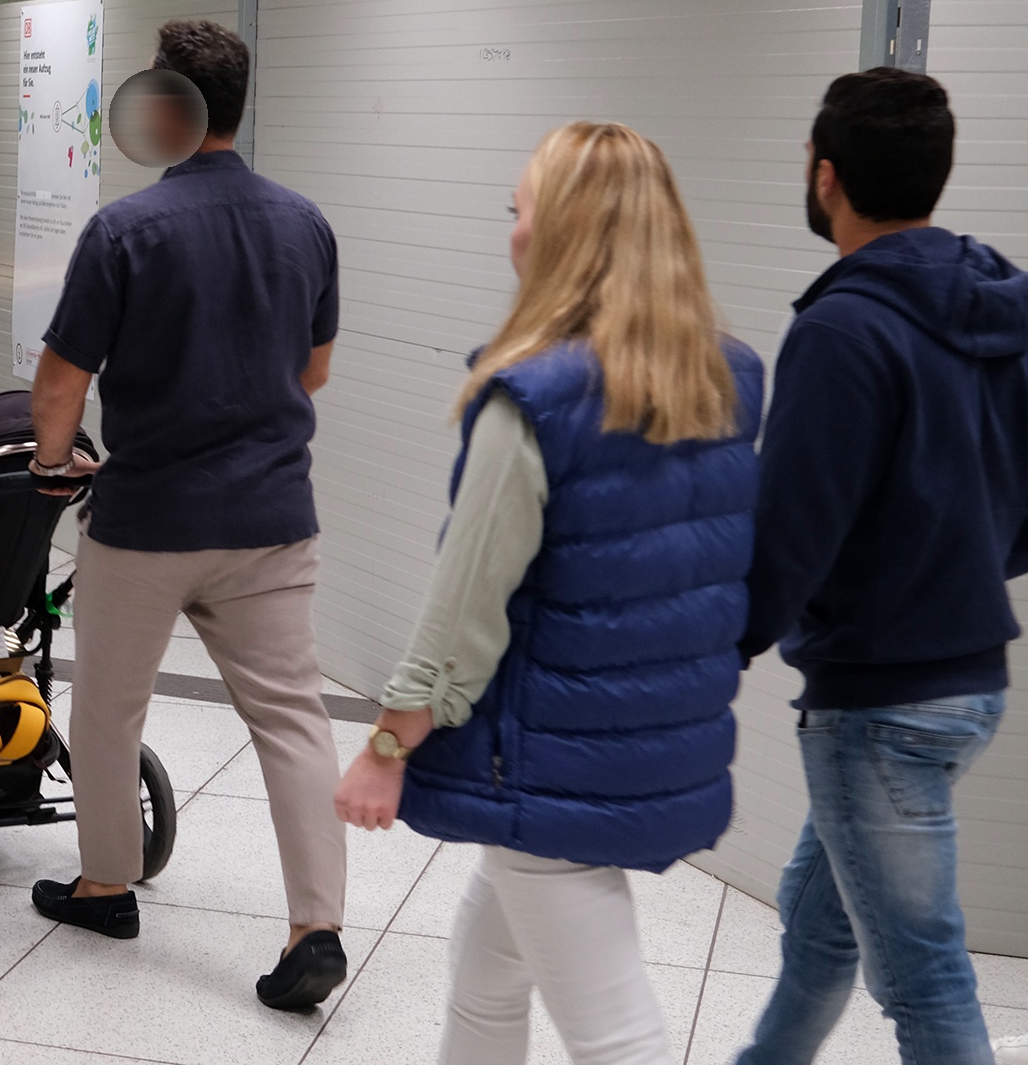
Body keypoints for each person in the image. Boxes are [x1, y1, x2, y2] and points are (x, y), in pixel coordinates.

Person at [335, 122, 764, 1065]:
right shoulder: (723, 378)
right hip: (651, 742)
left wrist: (386, 745)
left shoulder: (532, 397)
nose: (513, 231)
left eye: (521, 209)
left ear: (564, 233)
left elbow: (464, 609)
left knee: (617, 1036)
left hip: (544, 753)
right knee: (486, 974)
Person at [25, 19, 349, 1010]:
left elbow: (62, 379)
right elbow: (314, 370)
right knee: (293, 719)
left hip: (149, 519)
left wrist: (51, 466)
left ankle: (106, 885)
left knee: (109, 707)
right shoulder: (306, 224)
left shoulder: (125, 230)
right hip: (272, 516)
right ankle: (315, 928)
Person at [735, 68, 1028, 1065]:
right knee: (818, 924)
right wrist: (966, 567)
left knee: (924, 979)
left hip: (880, 707)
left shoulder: (842, 328)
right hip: (969, 686)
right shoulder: (999, 303)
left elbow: (791, 528)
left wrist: (717, 646)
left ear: (826, 177)